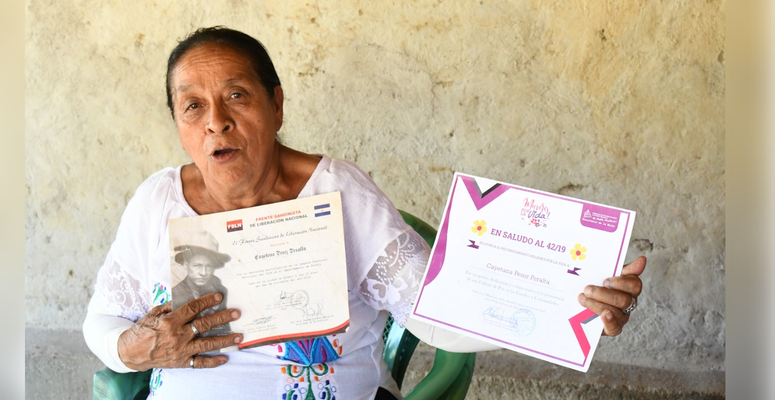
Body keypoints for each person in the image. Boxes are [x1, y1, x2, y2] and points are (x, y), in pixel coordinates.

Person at [83, 26, 646, 400]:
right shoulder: (157, 201)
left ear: (276, 104)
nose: (216, 123)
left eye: (236, 96)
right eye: (193, 107)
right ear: (179, 126)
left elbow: (432, 313)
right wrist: (129, 348)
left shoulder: (338, 191)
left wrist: (566, 304)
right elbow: (103, 320)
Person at [171, 230, 232, 337]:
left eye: (208, 266)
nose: (203, 273)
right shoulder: (175, 294)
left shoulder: (220, 291)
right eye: (197, 265)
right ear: (186, 264)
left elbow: (224, 329)